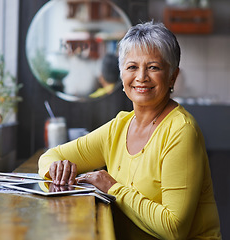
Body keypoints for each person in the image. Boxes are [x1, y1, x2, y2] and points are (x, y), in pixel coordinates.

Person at [38, 21, 221, 240]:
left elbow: (174, 229)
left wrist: (112, 187)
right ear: (122, 75)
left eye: (153, 67)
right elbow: (50, 156)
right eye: (132, 67)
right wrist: (57, 169)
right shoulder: (119, 127)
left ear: (172, 76)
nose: (141, 77)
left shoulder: (181, 131)